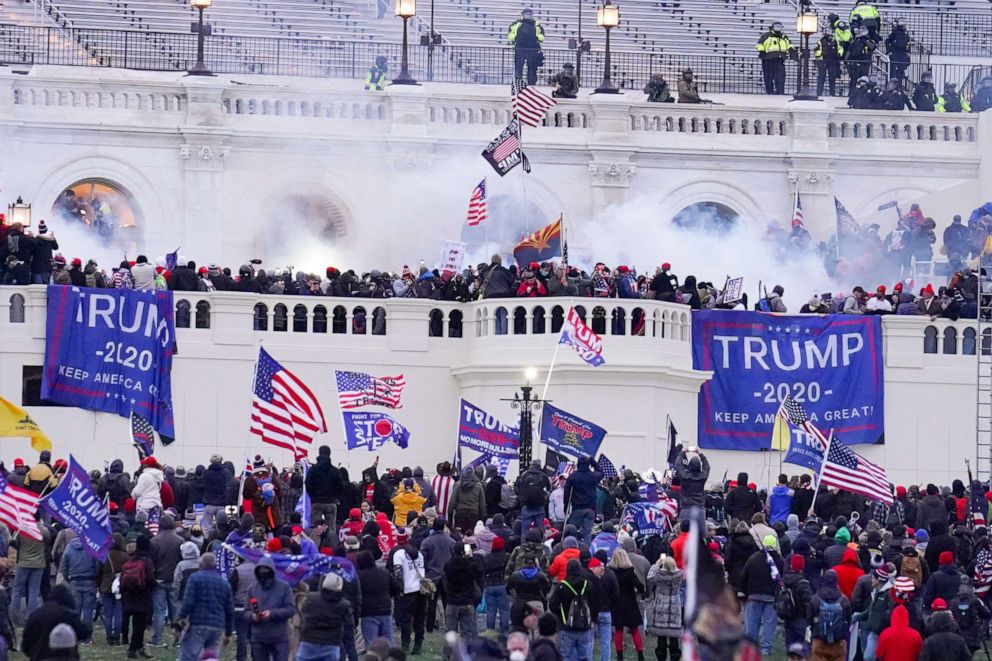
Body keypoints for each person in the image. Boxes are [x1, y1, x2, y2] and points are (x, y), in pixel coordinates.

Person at [178, 552, 235, 661]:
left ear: (201, 563)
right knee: (211, 658)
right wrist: (228, 633)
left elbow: (188, 602)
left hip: (198, 623)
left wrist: (180, 618)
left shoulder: (194, 578)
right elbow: (229, 610)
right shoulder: (224, 583)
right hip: (217, 626)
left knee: (189, 656)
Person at [20, 585, 89, 661]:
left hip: (39, 656)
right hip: (66, 657)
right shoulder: (68, 614)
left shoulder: (35, 615)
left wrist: (33, 654)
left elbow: (26, 642)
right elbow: (84, 632)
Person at [741, 534, 784, 656]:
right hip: (771, 597)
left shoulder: (753, 558)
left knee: (752, 623)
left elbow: (744, 576)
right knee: (769, 624)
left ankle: (751, 647)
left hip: (754, 595)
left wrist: (746, 592)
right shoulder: (780, 561)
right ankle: (766, 648)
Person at [245, 557, 294, 661]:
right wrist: (253, 616)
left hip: (279, 637)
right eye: (261, 570)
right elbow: (246, 611)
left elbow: (290, 609)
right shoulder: (252, 588)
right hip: (258, 637)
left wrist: (272, 614)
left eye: (266, 570)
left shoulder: (284, 587)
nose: (264, 573)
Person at [298, 572, 352, 661]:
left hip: (309, 640)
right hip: (331, 642)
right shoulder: (344, 605)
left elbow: (303, 613)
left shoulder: (311, 598)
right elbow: (348, 624)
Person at [548, 559, 594, 660]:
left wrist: (563, 615)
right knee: (585, 656)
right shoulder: (587, 585)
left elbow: (552, 605)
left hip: (566, 627)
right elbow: (594, 602)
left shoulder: (562, 586)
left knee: (566, 656)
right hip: (584, 626)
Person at [442, 543, 483, 656]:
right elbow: (479, 572)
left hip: (452, 603)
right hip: (467, 602)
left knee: (450, 633)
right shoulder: (469, 565)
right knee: (468, 633)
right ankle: (467, 655)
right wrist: (470, 557)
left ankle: (448, 656)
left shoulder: (448, 564)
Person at [56, 536, 98, 643]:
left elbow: (63, 566)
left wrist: (66, 578)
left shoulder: (69, 547)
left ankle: (75, 634)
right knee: (88, 610)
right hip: (90, 580)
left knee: (76, 609)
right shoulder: (92, 546)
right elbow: (97, 564)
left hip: (74, 580)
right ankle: (87, 636)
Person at [392, 532, 427, 654]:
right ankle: (418, 646)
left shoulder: (398, 554)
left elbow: (398, 574)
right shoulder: (420, 555)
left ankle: (405, 646)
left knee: (405, 620)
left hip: (408, 590)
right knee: (420, 620)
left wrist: (398, 589)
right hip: (421, 590)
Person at [121, 535, 155, 659]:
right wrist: (154, 586)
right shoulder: (147, 560)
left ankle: (139, 648)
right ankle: (133, 649)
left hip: (130, 595)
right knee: (139, 625)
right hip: (143, 594)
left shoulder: (131, 559)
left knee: (136, 623)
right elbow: (150, 578)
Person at [609, 549, 646, 660]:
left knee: (619, 630)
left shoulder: (611, 571)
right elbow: (640, 586)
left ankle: (620, 656)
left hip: (616, 603)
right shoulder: (630, 571)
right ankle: (640, 655)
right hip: (630, 602)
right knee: (634, 629)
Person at [644, 555, 682, 661]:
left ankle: (661, 658)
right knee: (674, 639)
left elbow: (649, 577)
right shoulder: (679, 576)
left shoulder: (658, 576)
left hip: (661, 608)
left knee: (661, 638)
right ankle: (675, 657)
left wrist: (656, 564)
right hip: (674, 609)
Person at [808, 569, 851, 661]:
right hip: (838, 642)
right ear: (836, 581)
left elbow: (809, 619)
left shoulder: (815, 599)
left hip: (819, 640)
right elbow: (849, 620)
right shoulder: (844, 600)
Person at [563, 456, 601, 545]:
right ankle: (586, 552)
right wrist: (593, 461)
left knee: (572, 531)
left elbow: (567, 494)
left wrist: (566, 508)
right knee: (587, 533)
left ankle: (571, 548)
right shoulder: (593, 476)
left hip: (577, 509)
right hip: (590, 509)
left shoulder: (573, 477)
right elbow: (601, 472)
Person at [307, 445, 343, 536]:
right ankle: (330, 546)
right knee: (331, 528)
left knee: (315, 528)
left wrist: (313, 496)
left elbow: (308, 484)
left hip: (317, 502)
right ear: (329, 454)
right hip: (331, 502)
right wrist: (335, 496)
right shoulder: (335, 471)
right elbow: (340, 486)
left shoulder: (313, 470)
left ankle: (316, 546)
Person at [507, 8, 544, 86]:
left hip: (533, 49)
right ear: (522, 14)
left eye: (529, 14)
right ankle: (517, 83)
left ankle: (531, 84)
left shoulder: (537, 24)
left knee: (532, 68)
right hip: (520, 49)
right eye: (526, 14)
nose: (527, 15)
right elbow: (510, 34)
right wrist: (515, 38)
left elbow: (542, 35)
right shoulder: (516, 23)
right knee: (518, 67)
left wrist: (537, 38)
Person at [755, 22, 792, 95]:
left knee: (781, 77)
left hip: (780, 60)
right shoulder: (766, 36)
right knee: (768, 77)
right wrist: (762, 51)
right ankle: (770, 91)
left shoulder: (783, 36)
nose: (778, 28)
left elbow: (789, 44)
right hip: (768, 59)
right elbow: (759, 44)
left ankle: (780, 91)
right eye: (776, 26)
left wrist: (791, 50)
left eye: (780, 26)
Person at [517, 459, 551, 535]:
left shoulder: (524, 475)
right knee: (540, 531)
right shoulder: (543, 476)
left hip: (526, 506)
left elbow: (517, 488)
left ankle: (524, 546)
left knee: (525, 531)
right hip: (539, 507)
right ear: (539, 466)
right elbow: (548, 490)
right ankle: (539, 545)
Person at [448, 467, 486, 532]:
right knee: (472, 537)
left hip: (460, 514)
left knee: (459, 536)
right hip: (473, 514)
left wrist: (450, 518)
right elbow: (482, 504)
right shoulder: (479, 485)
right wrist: (482, 519)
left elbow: (452, 502)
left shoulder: (458, 485)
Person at [814, 26, 843, 96]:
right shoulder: (820, 40)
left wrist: (839, 54)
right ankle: (819, 93)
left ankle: (832, 93)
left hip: (832, 61)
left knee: (832, 78)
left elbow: (840, 48)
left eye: (830, 31)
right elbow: (816, 50)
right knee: (821, 78)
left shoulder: (835, 41)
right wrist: (821, 53)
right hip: (823, 61)